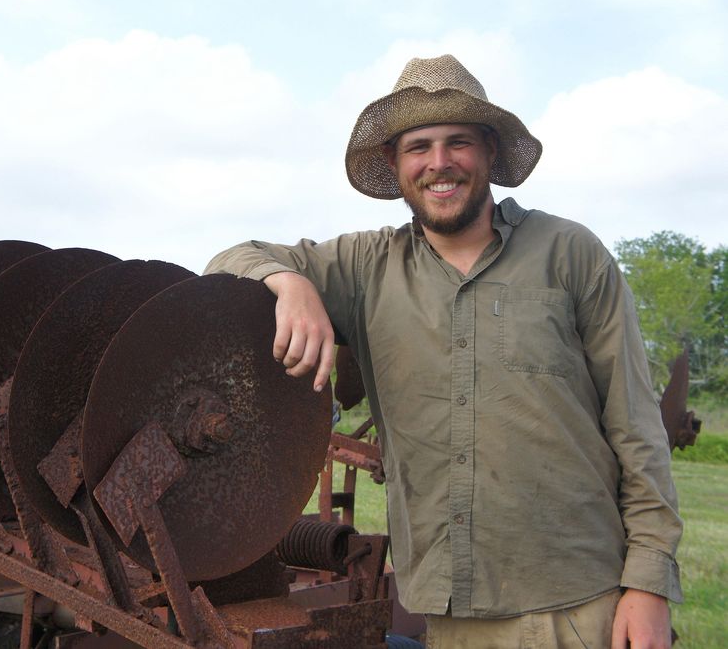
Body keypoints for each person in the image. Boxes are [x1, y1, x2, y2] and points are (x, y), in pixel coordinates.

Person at [205, 54, 681, 648]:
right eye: (419, 147)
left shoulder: (570, 254)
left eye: (458, 142)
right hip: (451, 612)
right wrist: (290, 282)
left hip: (581, 605)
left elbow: (636, 426)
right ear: (395, 163)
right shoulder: (365, 268)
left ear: (488, 151)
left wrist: (648, 585)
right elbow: (228, 260)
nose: (439, 163)